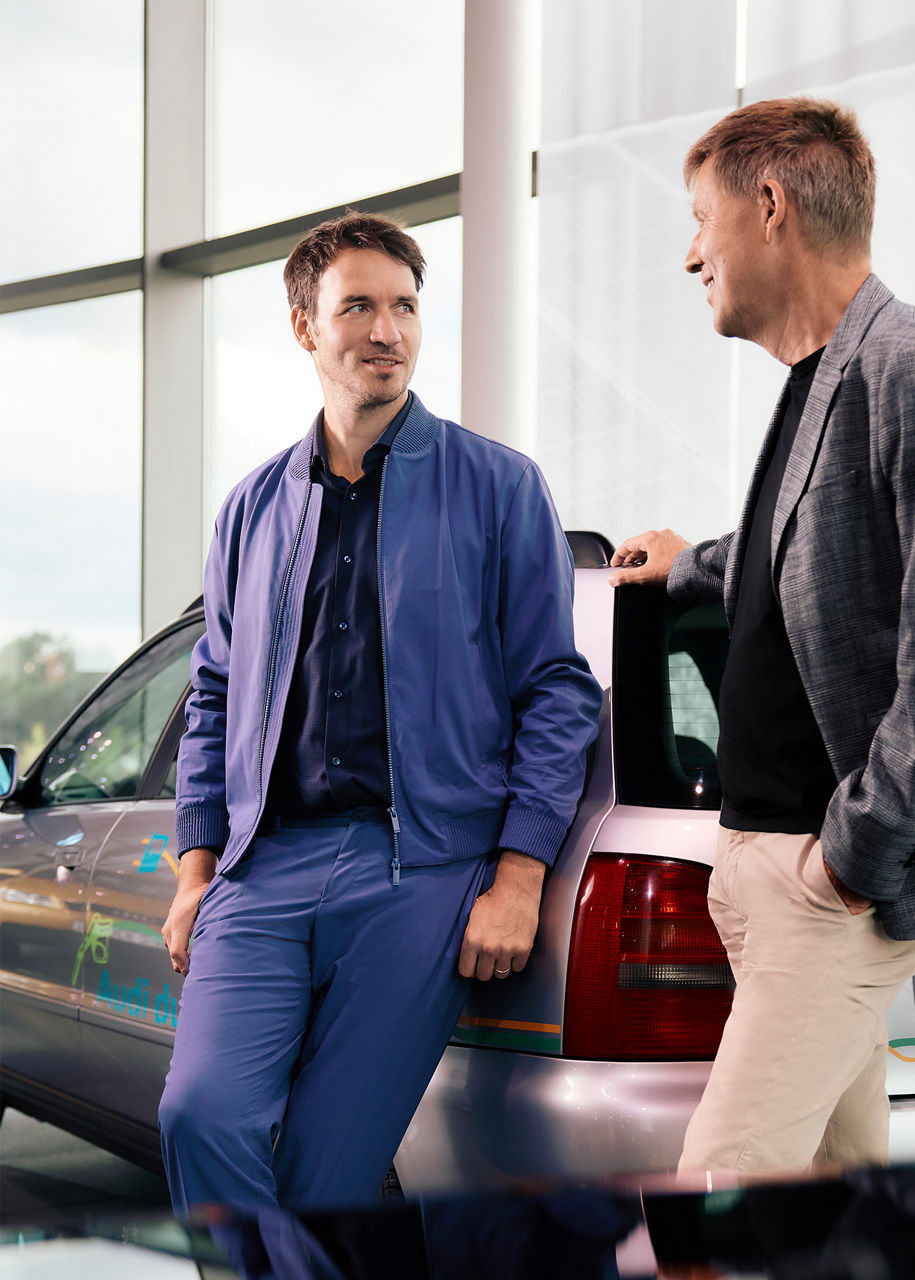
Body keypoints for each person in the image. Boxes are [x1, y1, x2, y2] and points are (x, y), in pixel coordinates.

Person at [610, 98, 915, 1176]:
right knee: (842, 1215)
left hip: (828, 885)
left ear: (767, 207)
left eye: (698, 219)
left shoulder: (910, 361)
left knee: (713, 1203)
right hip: (770, 870)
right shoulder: (816, 379)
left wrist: (852, 855)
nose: (689, 253)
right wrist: (687, 562)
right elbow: (797, 550)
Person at [158, 211, 601, 1210]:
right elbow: (214, 693)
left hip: (420, 873)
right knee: (200, 1117)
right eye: (356, 305)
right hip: (259, 869)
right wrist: (196, 874)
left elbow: (556, 692)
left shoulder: (499, 487)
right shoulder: (250, 508)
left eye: (403, 306)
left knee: (325, 1175)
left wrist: (518, 878)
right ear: (303, 327)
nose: (386, 330)